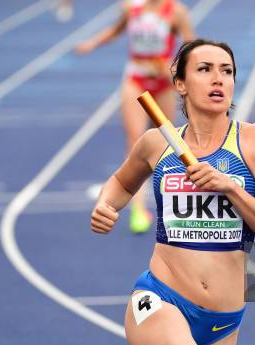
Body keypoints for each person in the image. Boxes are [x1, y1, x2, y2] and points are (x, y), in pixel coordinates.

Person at [91, 38, 255, 345]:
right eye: (205, 69)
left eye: (227, 71)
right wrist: (107, 205)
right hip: (161, 298)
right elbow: (120, 182)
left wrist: (232, 190)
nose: (219, 79)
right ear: (180, 83)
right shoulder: (157, 145)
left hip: (223, 319)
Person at [76, 0, 194, 233]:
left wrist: (173, 68)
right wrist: (91, 44)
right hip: (136, 80)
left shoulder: (176, 12)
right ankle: (138, 209)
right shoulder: (131, 9)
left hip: (163, 84)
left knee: (167, 142)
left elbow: (191, 48)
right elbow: (115, 31)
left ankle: (172, 202)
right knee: (135, 143)